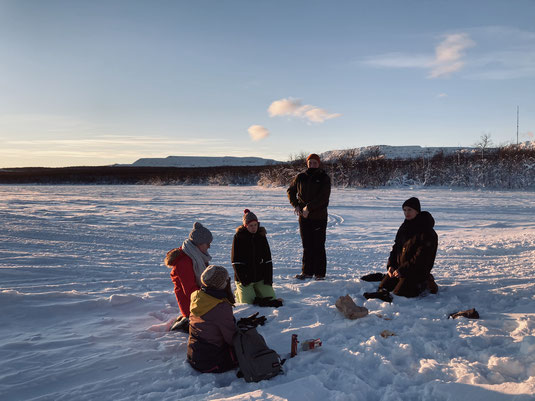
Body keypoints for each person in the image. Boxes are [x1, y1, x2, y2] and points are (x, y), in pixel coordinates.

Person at [376, 197, 438, 298]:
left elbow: (421, 258)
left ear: (417, 211)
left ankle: (425, 282)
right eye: (404, 210)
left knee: (400, 294)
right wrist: (391, 265)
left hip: (417, 271)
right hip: (400, 270)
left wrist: (403, 270)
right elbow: (396, 248)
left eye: (409, 210)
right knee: (383, 287)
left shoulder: (427, 231)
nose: (406, 213)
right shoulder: (404, 227)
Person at [287, 153, 331, 280]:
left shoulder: (324, 177)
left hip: (319, 217)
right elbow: (290, 191)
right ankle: (306, 272)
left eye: (315, 162)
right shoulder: (300, 177)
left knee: (318, 245)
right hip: (303, 217)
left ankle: (319, 274)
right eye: (310, 162)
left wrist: (308, 208)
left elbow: (324, 198)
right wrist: (295, 205)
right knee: (307, 245)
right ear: (307, 163)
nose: (312, 165)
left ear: (319, 163)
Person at [187, 265, 238, 373]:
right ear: (221, 284)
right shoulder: (220, 307)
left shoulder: (198, 296)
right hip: (211, 360)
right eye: (226, 279)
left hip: (194, 353)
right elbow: (231, 338)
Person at [165, 222, 213, 331]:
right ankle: (186, 322)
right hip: (190, 305)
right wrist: (209, 299)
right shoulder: (184, 261)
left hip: (198, 299)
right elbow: (191, 291)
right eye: (207, 243)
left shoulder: (196, 256)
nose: (209, 246)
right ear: (198, 244)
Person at [231, 209, 278, 304]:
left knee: (271, 298)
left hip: (259, 277)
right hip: (245, 279)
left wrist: (268, 280)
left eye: (255, 225)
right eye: (251, 226)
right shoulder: (239, 237)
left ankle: (256, 290)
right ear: (245, 226)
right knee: (249, 303)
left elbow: (268, 259)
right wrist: (243, 280)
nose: (254, 228)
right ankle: (239, 292)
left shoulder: (261, 236)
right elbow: (235, 261)